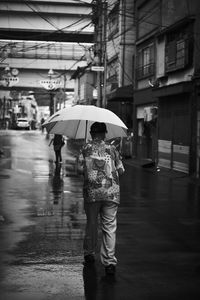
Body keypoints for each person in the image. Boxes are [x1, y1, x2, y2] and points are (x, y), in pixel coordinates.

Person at [78, 122, 125, 276]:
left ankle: (89, 253)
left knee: (92, 223)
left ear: (91, 134)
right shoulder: (112, 149)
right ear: (105, 134)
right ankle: (109, 262)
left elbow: (79, 170)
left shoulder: (85, 148)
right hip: (111, 192)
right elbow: (121, 170)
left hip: (92, 193)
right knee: (110, 227)